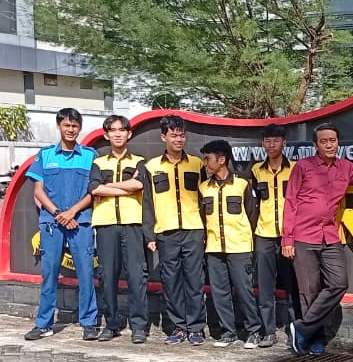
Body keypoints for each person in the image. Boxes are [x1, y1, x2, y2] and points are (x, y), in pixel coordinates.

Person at [283, 123, 353, 355]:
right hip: (303, 236)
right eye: (324, 141)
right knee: (309, 291)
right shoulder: (303, 167)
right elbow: (290, 202)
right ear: (315, 145)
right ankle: (313, 338)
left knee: (339, 283)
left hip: (330, 235)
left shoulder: (345, 167)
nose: (329, 145)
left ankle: (301, 328)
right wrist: (287, 239)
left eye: (333, 140)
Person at [25, 108, 99, 341]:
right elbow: (38, 190)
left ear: (80, 128)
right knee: (49, 274)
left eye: (75, 126)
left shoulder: (90, 156)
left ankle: (89, 323)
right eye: (66, 125)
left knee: (86, 273)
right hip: (52, 223)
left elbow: (94, 191)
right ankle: (44, 324)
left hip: (80, 222)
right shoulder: (45, 155)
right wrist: (58, 213)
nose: (70, 129)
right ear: (59, 126)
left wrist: (72, 212)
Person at [141, 116, 209, 346]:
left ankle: (196, 328)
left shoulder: (197, 164)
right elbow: (148, 202)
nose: (178, 139)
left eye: (181, 135)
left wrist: (206, 230)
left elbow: (204, 198)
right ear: (163, 137)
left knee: (195, 280)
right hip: (166, 232)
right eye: (173, 135)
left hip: (193, 230)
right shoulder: (151, 167)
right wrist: (149, 234)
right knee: (171, 282)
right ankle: (179, 327)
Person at [88, 115, 149, 344]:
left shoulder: (140, 161)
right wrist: (126, 188)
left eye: (121, 130)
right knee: (107, 276)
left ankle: (139, 327)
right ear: (106, 135)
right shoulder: (98, 163)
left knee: (136, 276)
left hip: (132, 224)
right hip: (106, 224)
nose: (117, 134)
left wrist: (108, 186)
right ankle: (111, 324)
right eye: (112, 130)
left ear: (129, 133)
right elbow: (94, 189)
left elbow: (139, 184)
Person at [200, 139, 266, 348]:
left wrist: (245, 238)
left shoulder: (242, 184)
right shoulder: (203, 187)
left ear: (222, 159)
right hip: (214, 248)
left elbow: (252, 214)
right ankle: (228, 332)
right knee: (220, 293)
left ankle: (254, 331)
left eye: (208, 159)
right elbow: (202, 217)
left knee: (245, 291)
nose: (205, 163)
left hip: (240, 247)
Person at [250, 124, 298, 348]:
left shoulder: (296, 169)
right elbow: (253, 204)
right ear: (263, 144)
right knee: (265, 286)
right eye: (267, 141)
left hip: (289, 236)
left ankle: (295, 331)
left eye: (276, 140)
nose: (272, 145)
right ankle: (268, 332)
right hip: (264, 234)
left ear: (284, 143)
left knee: (293, 285)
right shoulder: (256, 170)